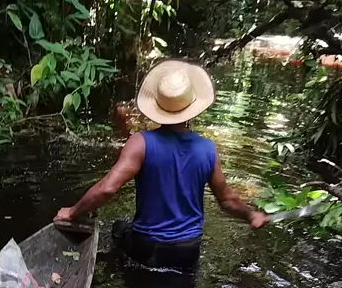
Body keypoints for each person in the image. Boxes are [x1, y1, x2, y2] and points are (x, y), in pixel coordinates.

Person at [55, 59, 269, 271]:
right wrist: (251, 215)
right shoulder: (208, 149)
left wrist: (73, 212)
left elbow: (107, 188)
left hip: (148, 247)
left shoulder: (140, 143)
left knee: (119, 228)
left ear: (157, 106)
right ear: (192, 107)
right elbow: (227, 200)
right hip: (188, 251)